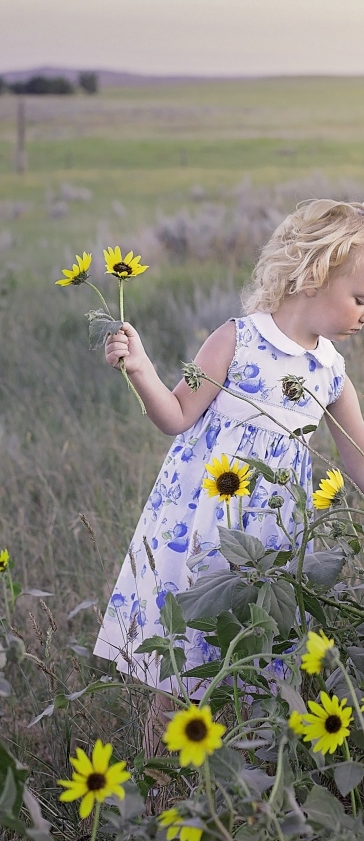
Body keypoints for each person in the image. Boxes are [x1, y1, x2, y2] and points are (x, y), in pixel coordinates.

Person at [93, 199, 364, 736]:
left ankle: (240, 784)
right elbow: (176, 413)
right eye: (361, 298)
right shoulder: (235, 341)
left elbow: (361, 463)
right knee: (186, 664)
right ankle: (162, 780)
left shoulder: (330, 373)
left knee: (257, 662)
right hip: (201, 533)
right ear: (313, 275)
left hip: (271, 547)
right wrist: (142, 367)